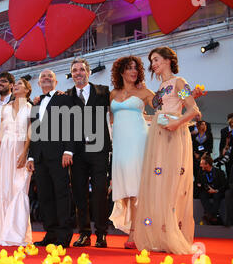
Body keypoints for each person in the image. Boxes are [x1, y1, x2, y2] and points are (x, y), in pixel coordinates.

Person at [134, 46, 201, 255]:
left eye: (156, 60)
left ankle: (173, 234)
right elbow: (158, 109)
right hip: (158, 135)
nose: (153, 64)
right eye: (151, 61)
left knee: (172, 184)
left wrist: (177, 123)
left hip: (174, 133)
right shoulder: (162, 86)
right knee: (158, 184)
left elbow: (194, 110)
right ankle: (160, 236)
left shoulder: (179, 83)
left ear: (168, 60)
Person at [0, 78, 33, 246]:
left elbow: (30, 132)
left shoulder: (31, 108)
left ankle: (15, 232)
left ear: (27, 90)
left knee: (18, 188)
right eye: (15, 85)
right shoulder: (6, 108)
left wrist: (25, 153)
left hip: (19, 149)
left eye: (20, 85)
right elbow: (1, 131)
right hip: (3, 152)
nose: (16, 87)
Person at [107, 56, 154, 249]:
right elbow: (111, 121)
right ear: (121, 72)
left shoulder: (144, 91)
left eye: (136, 68)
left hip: (138, 141)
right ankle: (134, 226)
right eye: (129, 68)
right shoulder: (113, 93)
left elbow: (165, 103)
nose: (133, 71)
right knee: (125, 189)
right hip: (119, 145)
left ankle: (135, 232)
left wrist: (188, 93)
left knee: (135, 187)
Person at [26, 69, 75, 248]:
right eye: (42, 77)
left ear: (56, 82)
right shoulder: (36, 104)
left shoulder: (65, 99)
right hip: (39, 157)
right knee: (45, 197)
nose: (46, 79)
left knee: (61, 195)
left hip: (59, 155)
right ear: (39, 83)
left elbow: (72, 125)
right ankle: (51, 234)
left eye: (50, 77)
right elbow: (34, 131)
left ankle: (63, 235)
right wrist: (31, 156)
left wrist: (69, 151)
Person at [66, 58, 111, 248]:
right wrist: (37, 100)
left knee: (100, 192)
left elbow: (126, 99)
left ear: (88, 72)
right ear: (72, 74)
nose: (78, 73)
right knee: (79, 194)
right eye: (74, 70)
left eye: (81, 69)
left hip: (99, 149)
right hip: (76, 152)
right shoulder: (66, 96)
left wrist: (185, 95)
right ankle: (84, 234)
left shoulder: (103, 91)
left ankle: (101, 234)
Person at [196, 154, 226, 225]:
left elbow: (224, 185)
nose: (200, 166)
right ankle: (212, 215)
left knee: (217, 195)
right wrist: (204, 187)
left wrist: (216, 190)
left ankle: (211, 215)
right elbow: (198, 183)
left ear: (207, 164)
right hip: (207, 191)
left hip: (217, 191)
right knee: (202, 195)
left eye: (202, 164)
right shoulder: (201, 173)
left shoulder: (219, 172)